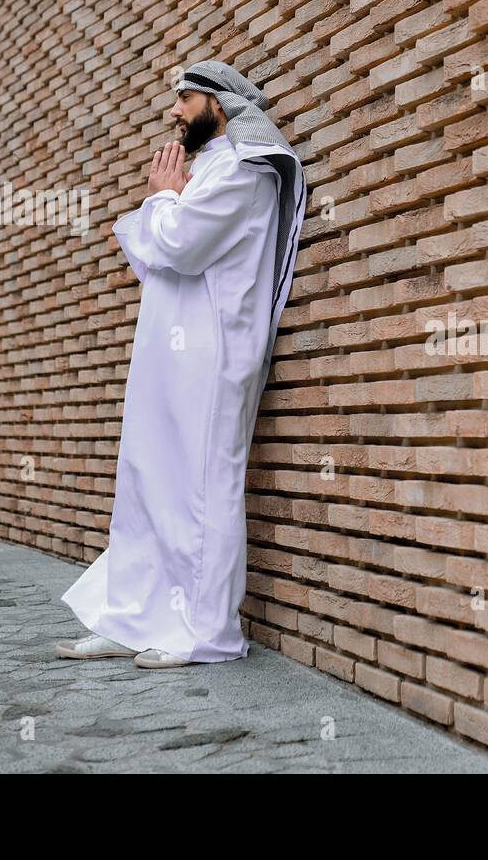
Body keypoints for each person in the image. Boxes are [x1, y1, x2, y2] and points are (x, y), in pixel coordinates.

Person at [55, 60, 307, 668]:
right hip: (169, 352)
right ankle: (132, 619)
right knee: (149, 480)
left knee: (201, 486)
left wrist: (163, 199)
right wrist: (167, 202)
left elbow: (177, 245)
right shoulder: (211, 169)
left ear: (219, 104)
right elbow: (159, 257)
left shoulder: (247, 171)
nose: (174, 111)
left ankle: (203, 633)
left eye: (185, 99)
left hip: (213, 354)